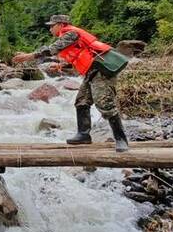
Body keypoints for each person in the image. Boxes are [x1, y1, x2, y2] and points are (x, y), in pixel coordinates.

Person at [12, 14, 129, 152]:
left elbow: (51, 49)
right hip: (92, 72)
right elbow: (79, 56)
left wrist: (29, 56)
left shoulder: (70, 33)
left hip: (101, 71)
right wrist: (62, 66)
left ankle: (121, 139)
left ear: (61, 25)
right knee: (82, 102)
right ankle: (83, 135)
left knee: (104, 104)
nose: (50, 29)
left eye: (52, 26)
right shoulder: (70, 36)